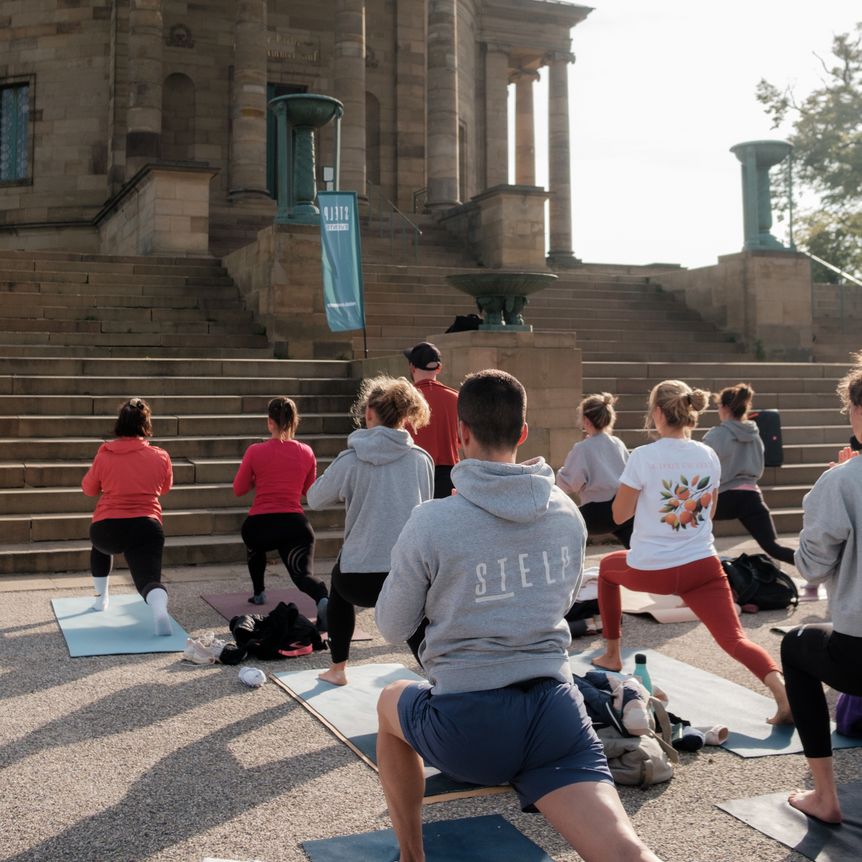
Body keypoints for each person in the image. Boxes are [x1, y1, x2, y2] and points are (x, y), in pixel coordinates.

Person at [375, 370, 661, 862]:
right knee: (627, 853)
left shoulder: (432, 521)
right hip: (554, 712)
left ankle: (412, 855)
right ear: (523, 432)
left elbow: (392, 626)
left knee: (390, 701)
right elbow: (564, 600)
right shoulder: (565, 513)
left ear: (460, 434)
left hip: (468, 724)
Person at [591, 379, 791, 725]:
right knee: (734, 640)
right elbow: (708, 513)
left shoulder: (643, 457)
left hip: (653, 570)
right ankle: (784, 695)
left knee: (607, 570)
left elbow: (618, 516)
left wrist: (649, 503)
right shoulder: (707, 455)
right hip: (703, 567)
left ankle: (611, 654)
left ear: (657, 412)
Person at [306, 375, 433, 686]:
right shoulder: (422, 460)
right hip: (406, 573)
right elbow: (426, 512)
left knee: (338, 589)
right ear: (405, 417)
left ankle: (338, 669)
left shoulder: (350, 459)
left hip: (357, 579)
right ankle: (439, 675)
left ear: (369, 413)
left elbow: (315, 498)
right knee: (417, 620)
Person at [781, 356, 862, 824]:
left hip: (859, 650)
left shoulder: (841, 482)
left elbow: (811, 567)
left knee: (796, 645)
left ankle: (825, 796)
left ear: (856, 410)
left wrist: (830, 491)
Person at [232, 397, 329, 628]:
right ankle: (323, 598)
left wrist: (257, 478)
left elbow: (239, 489)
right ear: (295, 422)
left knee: (254, 545)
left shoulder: (255, 451)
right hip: (295, 526)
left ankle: (259, 592)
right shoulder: (306, 452)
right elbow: (308, 492)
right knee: (302, 576)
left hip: (260, 528)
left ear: (270, 423)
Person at [81, 398, 174, 636]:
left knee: (99, 547)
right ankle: (159, 610)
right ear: (146, 424)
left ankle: (101, 598)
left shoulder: (105, 454)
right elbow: (164, 489)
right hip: (147, 526)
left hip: (107, 528)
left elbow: (89, 489)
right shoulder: (160, 455)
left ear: (119, 423)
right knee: (148, 581)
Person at [702, 383, 796, 565]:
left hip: (722, 497)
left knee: (689, 525)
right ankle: (816, 572)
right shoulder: (755, 435)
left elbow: (702, 466)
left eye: (719, 407)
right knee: (773, 546)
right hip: (751, 496)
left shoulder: (716, 435)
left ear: (725, 408)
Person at [557, 392, 634, 548]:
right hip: (623, 509)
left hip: (595, 514)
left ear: (586, 421)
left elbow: (569, 484)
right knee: (632, 540)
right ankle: (640, 563)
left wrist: (560, 476)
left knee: (561, 522)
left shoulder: (583, 448)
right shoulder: (617, 443)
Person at [403, 341, 460, 498]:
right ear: (439, 368)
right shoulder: (456, 398)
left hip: (411, 473)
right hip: (448, 476)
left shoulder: (403, 400)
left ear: (412, 367)